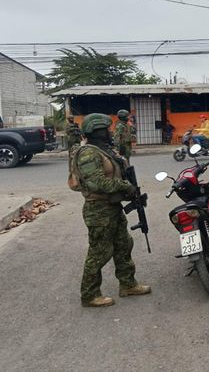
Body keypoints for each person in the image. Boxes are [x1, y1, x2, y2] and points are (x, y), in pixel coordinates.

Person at [72, 113, 151, 307]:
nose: (110, 132)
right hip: (98, 210)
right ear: (97, 132)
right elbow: (97, 182)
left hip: (113, 207)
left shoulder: (105, 150)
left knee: (124, 245)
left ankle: (128, 284)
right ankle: (89, 295)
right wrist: (125, 186)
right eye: (106, 129)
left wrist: (132, 194)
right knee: (99, 252)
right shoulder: (89, 153)